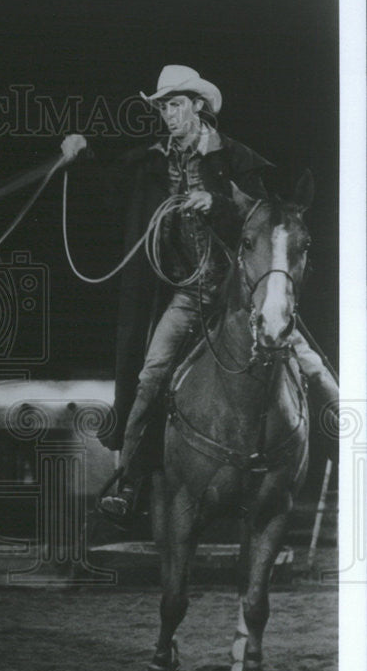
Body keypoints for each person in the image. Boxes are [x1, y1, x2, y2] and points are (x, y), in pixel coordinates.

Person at [61, 64, 338, 519]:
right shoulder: (152, 162)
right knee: (150, 377)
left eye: (174, 104)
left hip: (238, 293)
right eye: (163, 106)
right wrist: (83, 155)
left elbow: (267, 220)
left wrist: (220, 204)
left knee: (309, 364)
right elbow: (108, 189)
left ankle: (347, 443)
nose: (167, 114)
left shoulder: (237, 159)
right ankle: (128, 479)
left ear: (198, 107)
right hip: (186, 295)